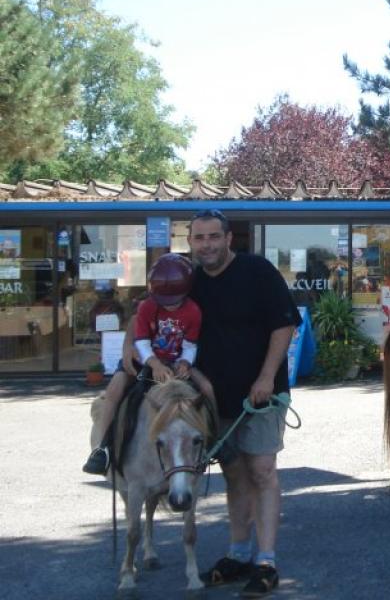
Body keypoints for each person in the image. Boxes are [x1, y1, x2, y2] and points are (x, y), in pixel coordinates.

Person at [187, 209, 300, 598]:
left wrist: (267, 377)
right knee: (234, 473)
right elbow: (155, 315)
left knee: (263, 470)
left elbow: (284, 324)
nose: (207, 245)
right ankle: (237, 553)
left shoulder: (258, 272)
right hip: (213, 396)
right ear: (191, 242)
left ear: (228, 238)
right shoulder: (189, 281)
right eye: (199, 238)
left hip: (261, 394)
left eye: (214, 237)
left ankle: (266, 561)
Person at [83, 253, 214, 475]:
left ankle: (213, 443)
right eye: (164, 301)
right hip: (143, 359)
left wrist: (184, 362)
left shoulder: (193, 311)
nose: (170, 306)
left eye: (176, 300)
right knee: (115, 389)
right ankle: (101, 448)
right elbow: (141, 341)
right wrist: (154, 364)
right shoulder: (146, 307)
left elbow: (191, 344)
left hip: (176, 361)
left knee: (207, 389)